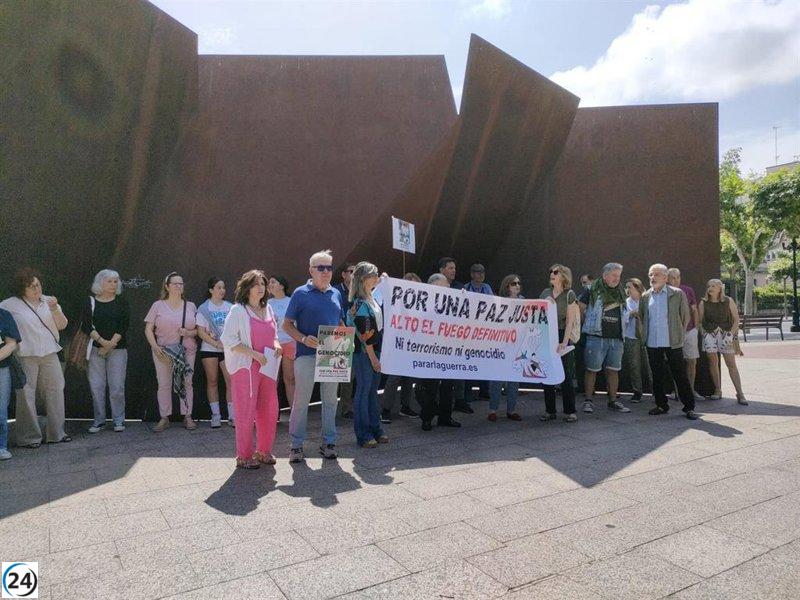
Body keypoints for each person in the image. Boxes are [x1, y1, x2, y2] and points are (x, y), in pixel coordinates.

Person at [283, 249, 344, 462]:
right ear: (311, 270)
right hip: (306, 354)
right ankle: (296, 445)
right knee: (302, 400)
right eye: (321, 268)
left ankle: (329, 442)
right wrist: (302, 338)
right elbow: (287, 325)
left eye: (329, 267)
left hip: (332, 355)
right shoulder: (300, 293)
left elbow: (340, 322)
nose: (326, 271)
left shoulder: (336, 293)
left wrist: (346, 340)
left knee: (330, 401)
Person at [0, 268, 70, 446]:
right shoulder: (9, 304)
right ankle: (29, 438)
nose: (36, 289)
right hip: (25, 355)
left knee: (55, 392)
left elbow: (62, 325)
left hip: (49, 353)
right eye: (31, 286)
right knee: (26, 396)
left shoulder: (49, 301)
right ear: (21, 289)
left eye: (38, 285)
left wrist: (54, 308)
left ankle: (57, 433)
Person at [221, 270, 282, 469]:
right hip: (246, 368)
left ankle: (264, 451)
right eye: (256, 284)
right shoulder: (238, 311)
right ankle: (244, 456)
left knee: (269, 409)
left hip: (268, 367)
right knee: (245, 411)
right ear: (247, 288)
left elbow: (273, 334)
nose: (261, 288)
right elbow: (228, 339)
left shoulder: (269, 309)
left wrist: (277, 344)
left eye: (263, 284)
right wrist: (254, 354)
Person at [640, 263, 698, 419]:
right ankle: (661, 405)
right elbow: (642, 317)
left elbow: (685, 316)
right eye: (651, 274)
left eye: (656, 274)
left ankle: (689, 407)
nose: (653, 277)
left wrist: (679, 333)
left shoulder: (677, 293)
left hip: (673, 342)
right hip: (652, 343)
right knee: (657, 376)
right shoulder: (645, 296)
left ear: (665, 277)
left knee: (680, 375)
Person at [144, 272, 198, 432]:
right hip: (163, 352)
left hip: (187, 350)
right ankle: (164, 417)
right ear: (167, 286)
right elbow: (148, 329)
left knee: (187, 382)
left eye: (181, 283)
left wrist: (189, 333)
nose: (178, 286)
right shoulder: (157, 305)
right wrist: (154, 346)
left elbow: (199, 330)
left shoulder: (191, 306)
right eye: (175, 283)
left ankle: (187, 416)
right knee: (164, 384)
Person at [83, 269, 130, 433]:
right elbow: (87, 325)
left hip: (118, 349)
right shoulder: (90, 301)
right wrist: (102, 343)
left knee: (117, 386)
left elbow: (124, 325)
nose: (113, 284)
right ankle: (99, 420)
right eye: (109, 281)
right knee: (96, 386)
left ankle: (118, 420)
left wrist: (109, 345)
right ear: (100, 282)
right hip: (96, 350)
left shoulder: (122, 302)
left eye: (115, 281)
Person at [347, 262, 388, 448]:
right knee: (363, 392)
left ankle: (376, 429)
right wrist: (374, 359)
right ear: (364, 279)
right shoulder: (360, 303)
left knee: (372, 392)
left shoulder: (371, 299)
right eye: (374, 274)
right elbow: (365, 336)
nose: (377, 277)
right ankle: (363, 434)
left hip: (374, 351)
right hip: (365, 353)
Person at [581, 263, 631, 413]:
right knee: (591, 370)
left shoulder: (622, 292)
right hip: (596, 337)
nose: (617, 278)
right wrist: (588, 325)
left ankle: (613, 401)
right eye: (614, 275)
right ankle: (588, 401)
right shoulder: (591, 290)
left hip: (616, 338)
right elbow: (580, 308)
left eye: (619, 275)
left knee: (613, 370)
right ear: (604, 275)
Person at [419, 273, 460, 431]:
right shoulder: (423, 303)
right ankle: (427, 418)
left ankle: (445, 417)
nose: (449, 287)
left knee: (448, 386)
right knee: (430, 387)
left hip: (448, 350)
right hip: (430, 351)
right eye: (445, 285)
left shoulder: (453, 303)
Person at [539, 265, 579, 422]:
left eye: (555, 272)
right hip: (547, 335)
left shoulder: (569, 294)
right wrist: (546, 304)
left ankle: (570, 411)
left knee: (566, 374)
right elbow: (537, 314)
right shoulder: (545, 293)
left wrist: (564, 342)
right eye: (551, 272)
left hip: (563, 334)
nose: (552, 274)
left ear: (564, 276)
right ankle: (550, 411)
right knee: (547, 372)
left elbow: (570, 321)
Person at [698, 279, 747, 404]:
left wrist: (731, 333)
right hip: (710, 334)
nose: (711, 288)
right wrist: (705, 333)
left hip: (726, 334)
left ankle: (740, 393)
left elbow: (736, 319)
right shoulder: (703, 303)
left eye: (714, 286)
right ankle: (717, 390)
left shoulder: (728, 301)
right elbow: (699, 321)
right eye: (709, 286)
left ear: (720, 288)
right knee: (712, 362)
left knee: (731, 363)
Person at [381, 273, 422, 423]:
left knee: (409, 378)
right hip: (397, 345)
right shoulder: (395, 301)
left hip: (412, 345)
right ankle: (386, 409)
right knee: (394, 378)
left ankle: (405, 406)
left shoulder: (420, 303)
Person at [196, 277, 233, 428]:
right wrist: (216, 343)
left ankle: (233, 416)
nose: (222, 290)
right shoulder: (203, 308)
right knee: (212, 381)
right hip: (209, 350)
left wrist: (227, 343)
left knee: (230, 382)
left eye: (223, 287)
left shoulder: (230, 307)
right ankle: (216, 416)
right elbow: (201, 332)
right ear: (211, 290)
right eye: (218, 287)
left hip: (228, 351)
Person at [487, 274, 524, 422]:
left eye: (518, 283)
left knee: (514, 380)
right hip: (500, 345)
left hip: (516, 345)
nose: (517, 285)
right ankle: (493, 410)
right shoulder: (498, 301)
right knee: (497, 379)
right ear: (507, 286)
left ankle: (511, 410)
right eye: (513, 283)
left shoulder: (524, 302)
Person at [667, 268, 705, 402]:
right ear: (667, 278)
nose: (675, 280)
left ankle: (690, 390)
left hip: (690, 331)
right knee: (675, 362)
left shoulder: (688, 290)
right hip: (672, 333)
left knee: (692, 360)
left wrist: (695, 326)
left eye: (677, 277)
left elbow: (694, 309)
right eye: (672, 277)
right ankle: (676, 391)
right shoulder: (664, 292)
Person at [462, 264, 492, 403]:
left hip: (484, 331)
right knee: (468, 363)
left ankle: (484, 391)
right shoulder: (466, 288)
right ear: (472, 274)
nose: (480, 275)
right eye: (477, 272)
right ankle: (467, 393)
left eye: (482, 272)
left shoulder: (487, 288)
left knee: (484, 361)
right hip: (469, 332)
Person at [268, 276, 295, 421]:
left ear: (282, 285)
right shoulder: (267, 303)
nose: (270, 285)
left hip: (290, 342)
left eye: (273, 282)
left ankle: (294, 414)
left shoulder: (291, 302)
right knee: (273, 380)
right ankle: (273, 414)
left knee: (290, 379)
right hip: (272, 344)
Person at [622, 278, 651, 402]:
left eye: (630, 287)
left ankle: (657, 391)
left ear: (637, 288)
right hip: (631, 337)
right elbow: (622, 318)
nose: (627, 290)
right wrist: (630, 314)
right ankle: (637, 391)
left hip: (647, 337)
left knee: (651, 365)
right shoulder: (625, 302)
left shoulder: (647, 300)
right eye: (626, 287)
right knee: (634, 365)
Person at [334, 262, 355, 419]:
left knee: (350, 375)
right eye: (351, 271)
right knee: (336, 373)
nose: (354, 274)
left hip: (356, 336)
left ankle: (346, 408)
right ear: (343, 274)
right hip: (338, 336)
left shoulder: (359, 291)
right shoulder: (336, 291)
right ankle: (332, 407)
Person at [0, 307, 22, 459]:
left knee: (1, 410)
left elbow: (11, 343)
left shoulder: (4, 315)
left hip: (2, 368)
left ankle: (1, 447)